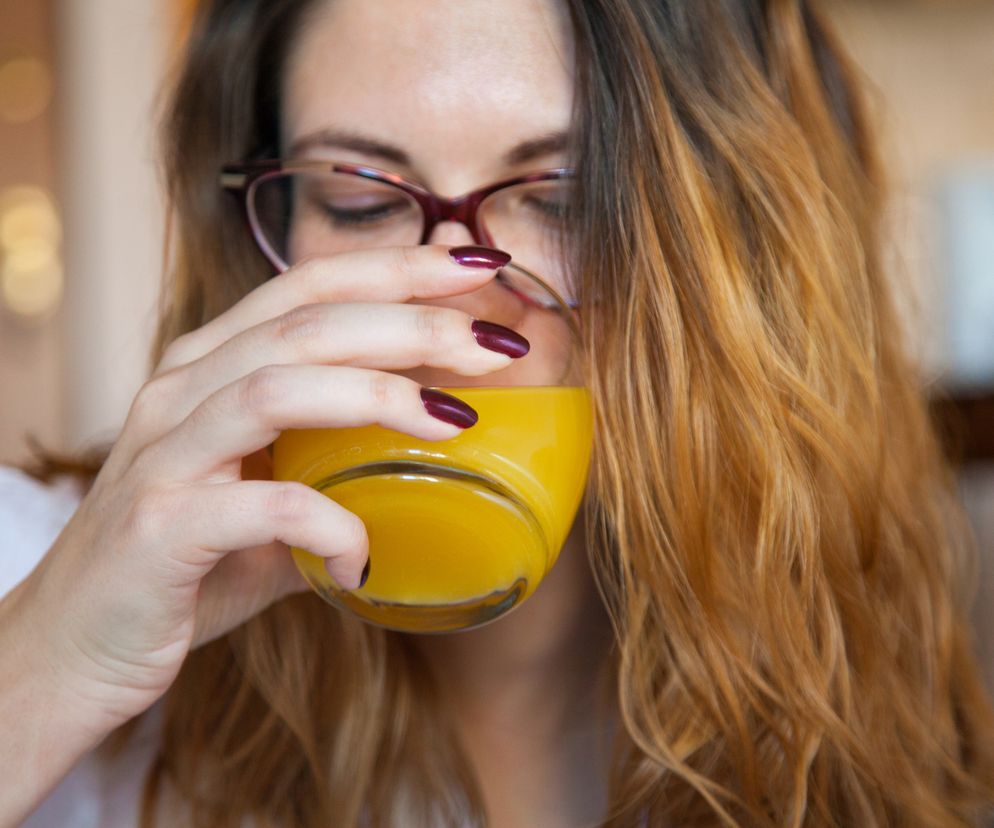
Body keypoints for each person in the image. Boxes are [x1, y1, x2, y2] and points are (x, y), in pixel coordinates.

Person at [2, 0, 993, 825]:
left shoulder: (869, 682)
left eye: (567, 198)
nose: (453, 296)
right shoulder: (48, 570)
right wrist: (51, 665)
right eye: (357, 198)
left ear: (742, 259)